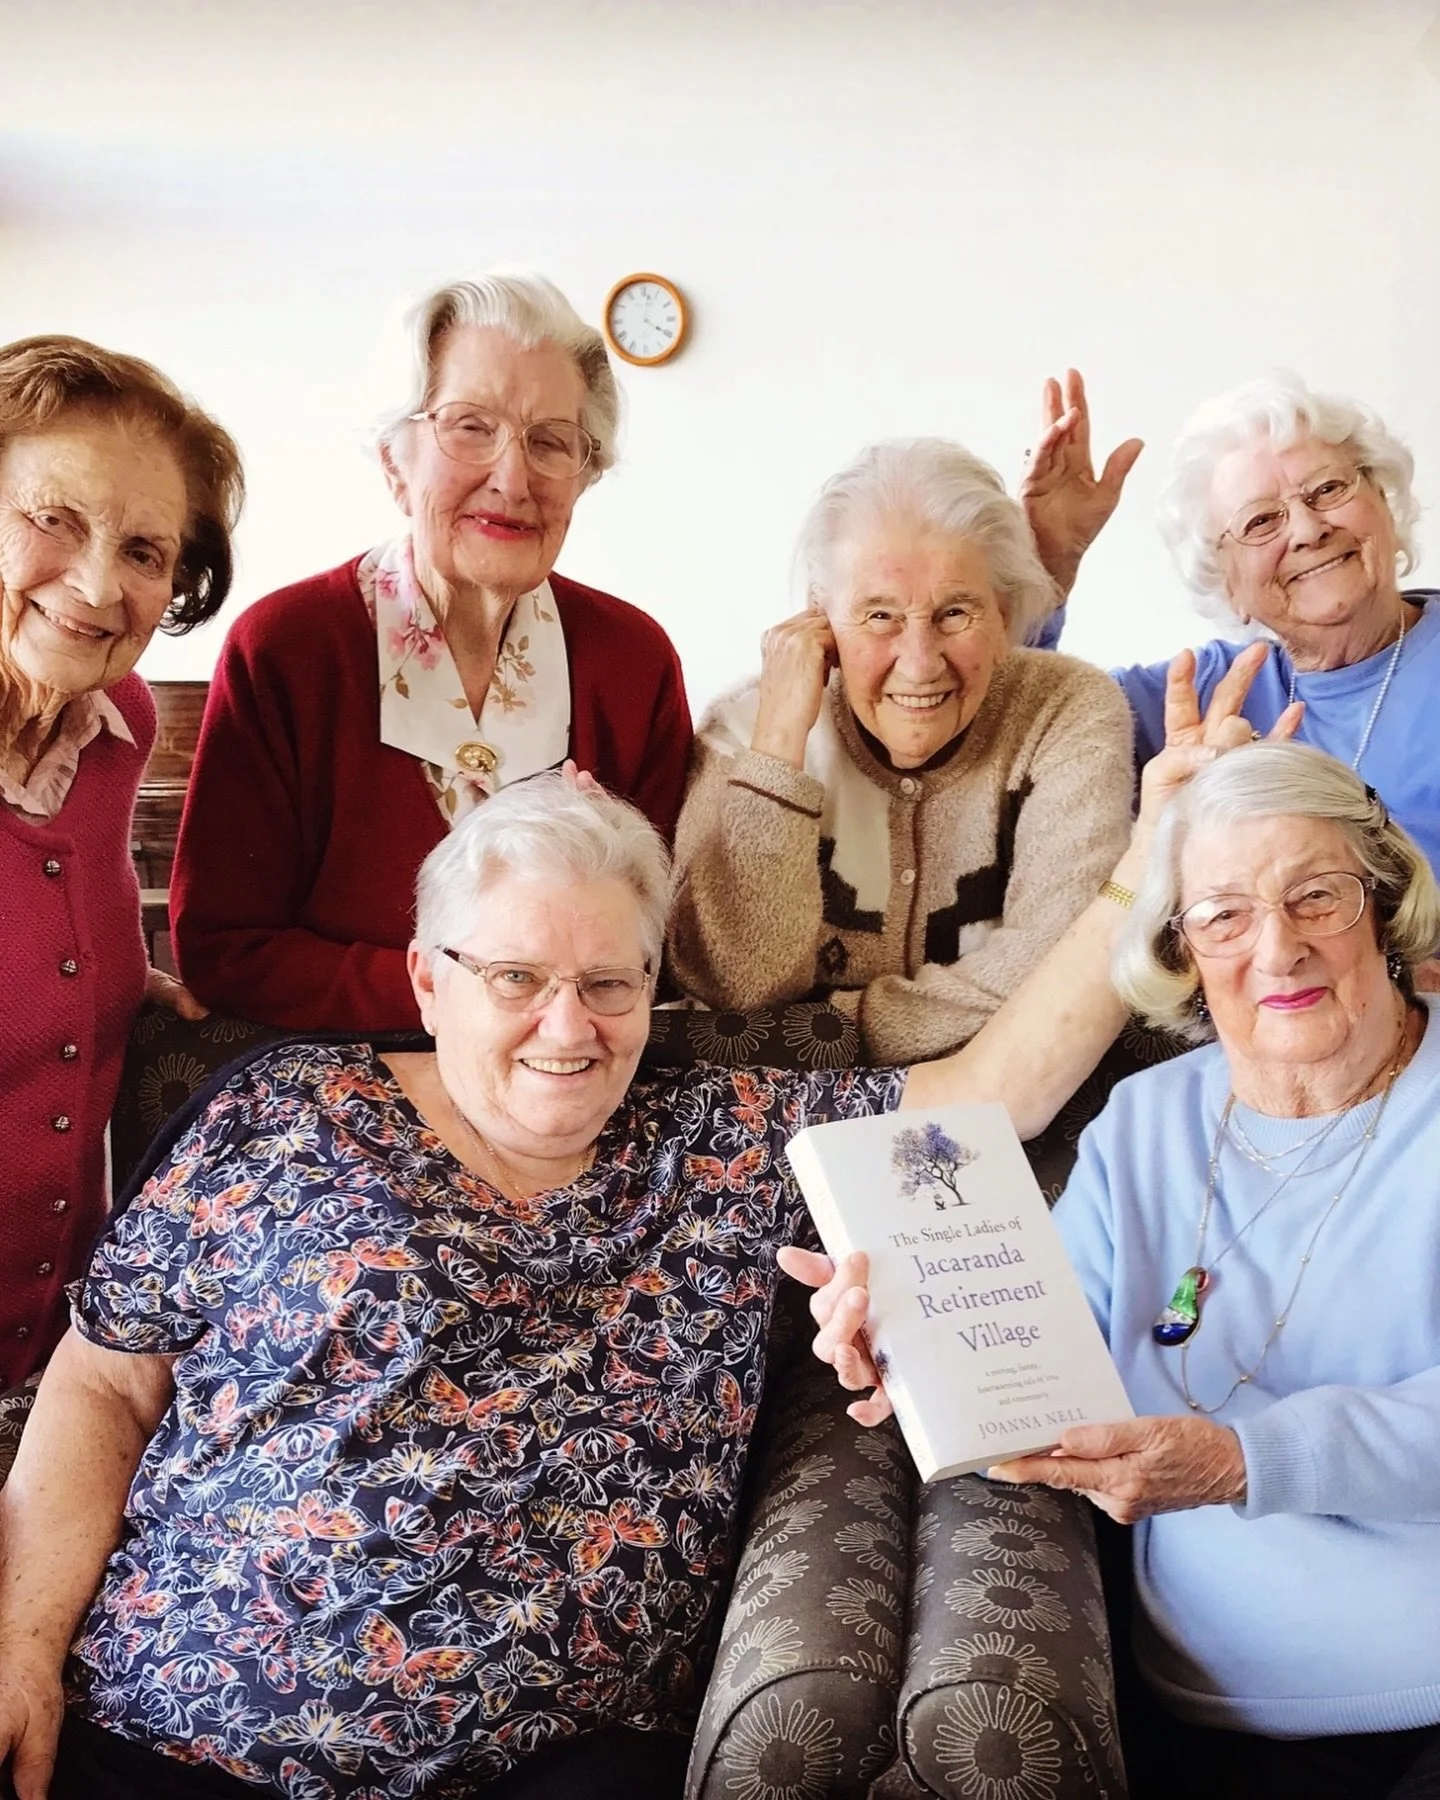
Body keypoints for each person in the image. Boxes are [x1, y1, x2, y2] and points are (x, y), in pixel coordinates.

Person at [0, 666, 1266, 1800]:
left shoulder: (723, 1138)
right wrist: (19, 1639)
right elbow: (109, 1377)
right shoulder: (281, 1111)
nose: (569, 1027)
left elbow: (995, 1093)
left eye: (610, 983)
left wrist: (1146, 863)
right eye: (517, 980)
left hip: (557, 1760)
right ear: (430, 979)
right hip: (166, 1732)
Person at [789, 740, 1440, 1800]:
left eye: (1317, 896)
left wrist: (1242, 1460)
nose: (1277, 948)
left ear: (1385, 903)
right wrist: (902, 1339)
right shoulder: (1147, 1122)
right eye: (1224, 914)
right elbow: (1048, 1346)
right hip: (1200, 1708)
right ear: (1181, 949)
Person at [170, 270, 693, 1035]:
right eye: (470, 427)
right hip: (346, 1077)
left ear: (584, 476)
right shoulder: (290, 649)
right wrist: (472, 1001)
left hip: (570, 1073)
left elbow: (660, 946)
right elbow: (225, 948)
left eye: (551, 442)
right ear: (394, 460)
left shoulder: (632, 662)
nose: (512, 478)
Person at [668, 437, 1134, 1064]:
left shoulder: (1065, 711)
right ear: (820, 622)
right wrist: (778, 750)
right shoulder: (746, 728)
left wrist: (826, 1030)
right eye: (880, 616)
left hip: (1009, 1109)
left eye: (954, 613)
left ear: (1003, 616)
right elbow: (734, 991)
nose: (919, 663)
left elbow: (1068, 966)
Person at [0, 333, 242, 1459]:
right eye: (53, 520)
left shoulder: (117, 727)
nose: (100, 586)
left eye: (145, 549)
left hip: (52, 1375)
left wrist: (111, 978)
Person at [1024, 368, 1440, 876]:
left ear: (1384, 503)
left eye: (1328, 489)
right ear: (1227, 584)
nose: (1309, 530)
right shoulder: (1197, 699)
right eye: (1261, 521)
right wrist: (1043, 570)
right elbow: (1018, 730)